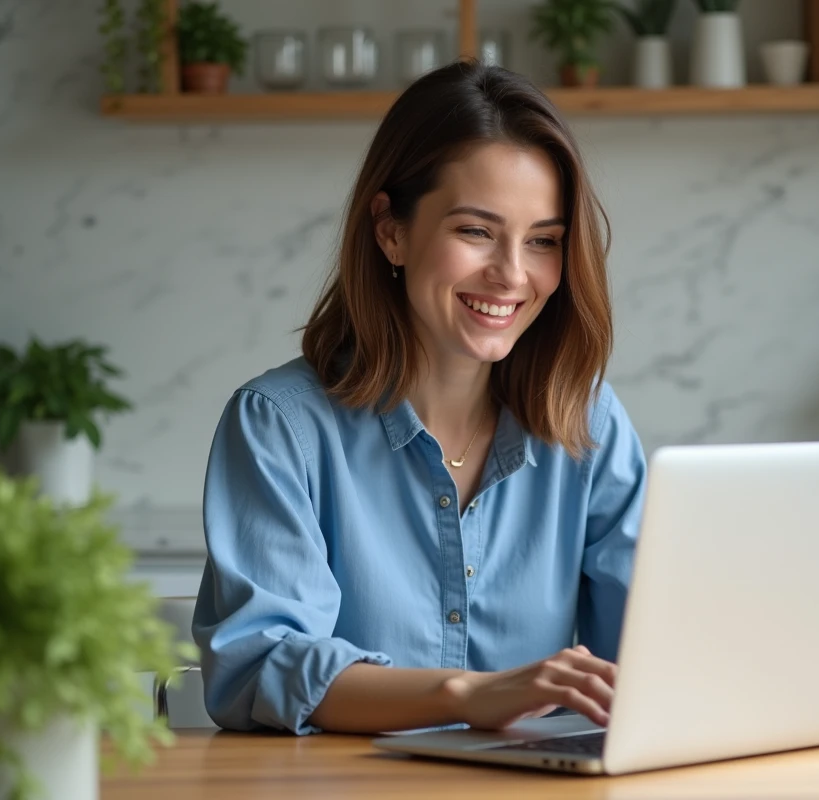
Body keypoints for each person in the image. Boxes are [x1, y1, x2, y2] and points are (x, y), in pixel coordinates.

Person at [192, 60, 647, 736]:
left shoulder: (588, 423)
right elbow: (261, 668)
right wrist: (468, 694)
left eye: (544, 241)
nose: (513, 275)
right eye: (475, 231)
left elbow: (648, 661)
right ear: (391, 230)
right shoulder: (279, 427)